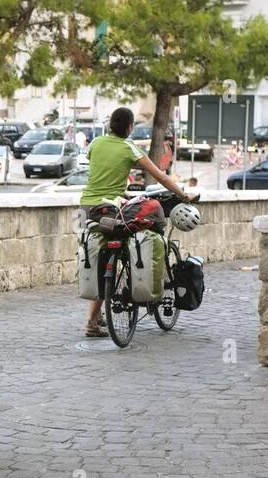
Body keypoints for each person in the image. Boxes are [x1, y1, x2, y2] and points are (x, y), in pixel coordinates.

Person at [80, 106, 197, 338]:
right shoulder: (128, 148)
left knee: (101, 258)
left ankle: (93, 321)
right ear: (130, 127)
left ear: (110, 124)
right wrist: (184, 196)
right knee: (146, 226)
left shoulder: (95, 144)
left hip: (88, 209)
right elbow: (160, 176)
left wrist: (121, 193)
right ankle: (143, 284)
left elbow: (102, 177)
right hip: (112, 210)